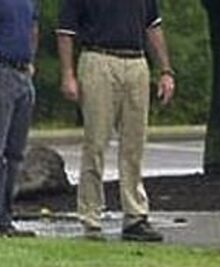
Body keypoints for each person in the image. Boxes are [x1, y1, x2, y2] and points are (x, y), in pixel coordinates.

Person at [56, 0, 175, 241]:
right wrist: (68, 74)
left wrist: (165, 70)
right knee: (96, 143)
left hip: (136, 61)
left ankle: (135, 215)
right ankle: (91, 216)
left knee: (134, 144)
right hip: (98, 58)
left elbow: (153, 25)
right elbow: (66, 30)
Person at [0, 0, 40, 237]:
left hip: (23, 74)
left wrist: (31, 61)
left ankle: (6, 217)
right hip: (3, 70)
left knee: (15, 153)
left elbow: (33, 27)